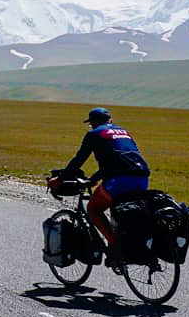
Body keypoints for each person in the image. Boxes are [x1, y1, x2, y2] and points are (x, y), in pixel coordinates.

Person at [61, 107, 150, 266]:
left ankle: (116, 247)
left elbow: (79, 159)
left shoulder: (94, 134)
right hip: (142, 178)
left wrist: (62, 177)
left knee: (93, 209)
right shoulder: (124, 132)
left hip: (120, 181)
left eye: (91, 124)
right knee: (122, 211)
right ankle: (126, 246)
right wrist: (94, 179)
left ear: (94, 122)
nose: (91, 126)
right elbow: (117, 161)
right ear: (110, 120)